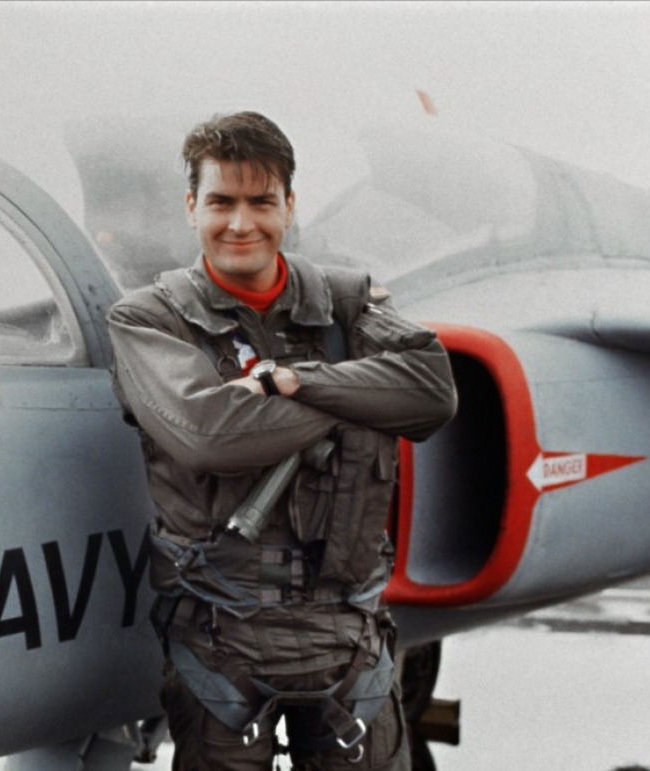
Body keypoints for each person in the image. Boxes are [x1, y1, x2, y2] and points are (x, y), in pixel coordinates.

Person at [107, 111, 458, 771]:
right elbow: (209, 434)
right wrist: (360, 398)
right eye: (221, 202)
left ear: (289, 206)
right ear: (191, 206)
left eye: (261, 202)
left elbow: (433, 392)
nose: (241, 224)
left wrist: (298, 381)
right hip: (221, 637)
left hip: (348, 635)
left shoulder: (347, 303)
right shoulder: (148, 320)